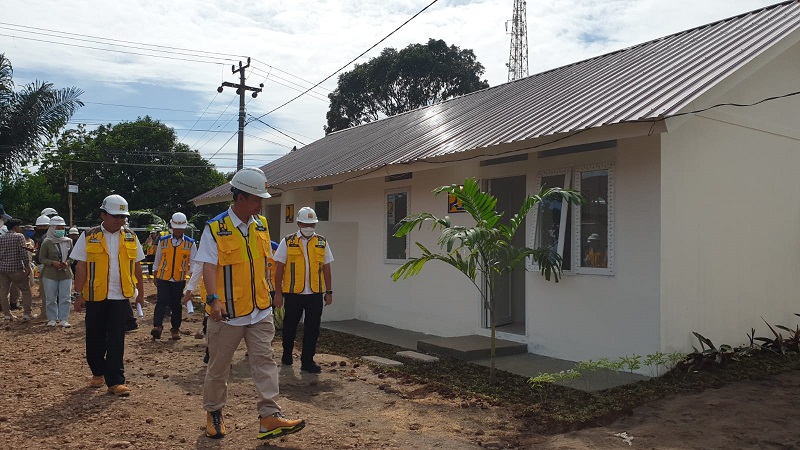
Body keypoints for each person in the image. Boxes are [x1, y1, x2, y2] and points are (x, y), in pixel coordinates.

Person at [196, 167, 305, 440]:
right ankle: (214, 412)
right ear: (241, 197)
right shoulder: (215, 228)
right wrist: (214, 299)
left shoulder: (260, 225)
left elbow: (266, 259)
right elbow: (208, 267)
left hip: (259, 311)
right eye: (257, 199)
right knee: (219, 368)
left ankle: (269, 416)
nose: (261, 204)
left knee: (265, 363)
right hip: (228, 314)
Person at [71, 194, 145, 397]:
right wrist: (78, 294)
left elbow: (136, 265)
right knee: (94, 336)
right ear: (103, 214)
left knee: (116, 339)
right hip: (95, 295)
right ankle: (97, 371)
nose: (120, 221)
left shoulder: (131, 236)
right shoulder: (89, 236)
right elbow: (81, 266)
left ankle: (116, 381)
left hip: (121, 296)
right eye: (115, 216)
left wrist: (141, 293)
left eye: (123, 217)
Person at [274, 206, 334, 374]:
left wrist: (329, 292)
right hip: (293, 293)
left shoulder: (322, 242)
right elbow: (279, 269)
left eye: (312, 224)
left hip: (315, 293)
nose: (310, 228)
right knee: (289, 326)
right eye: (306, 224)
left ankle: (307, 361)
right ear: (299, 223)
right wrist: (278, 293)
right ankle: (287, 354)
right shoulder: (288, 241)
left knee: (313, 328)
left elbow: (326, 268)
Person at [151, 212, 197, 341]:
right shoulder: (163, 241)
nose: (178, 230)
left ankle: (175, 329)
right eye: (176, 228)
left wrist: (192, 279)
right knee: (161, 301)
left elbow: (193, 262)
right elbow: (158, 258)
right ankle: (157, 327)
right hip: (163, 277)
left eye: (180, 228)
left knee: (176, 304)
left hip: (179, 278)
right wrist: (155, 274)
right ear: (172, 227)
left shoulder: (190, 243)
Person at [38, 216, 74, 327]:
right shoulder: (47, 242)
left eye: (62, 228)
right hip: (50, 274)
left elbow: (72, 256)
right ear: (52, 228)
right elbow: (41, 258)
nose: (61, 230)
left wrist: (67, 262)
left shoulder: (68, 241)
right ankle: (52, 318)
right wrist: (52, 263)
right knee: (51, 297)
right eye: (58, 228)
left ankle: (63, 319)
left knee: (65, 297)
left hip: (65, 272)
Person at [0, 219, 34, 321]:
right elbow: (23, 252)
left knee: (4, 292)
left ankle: (7, 314)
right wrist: (27, 266)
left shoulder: (1, 238)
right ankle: (27, 314)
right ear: (15, 227)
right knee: (26, 290)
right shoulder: (19, 237)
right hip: (16, 268)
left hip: (3, 269)